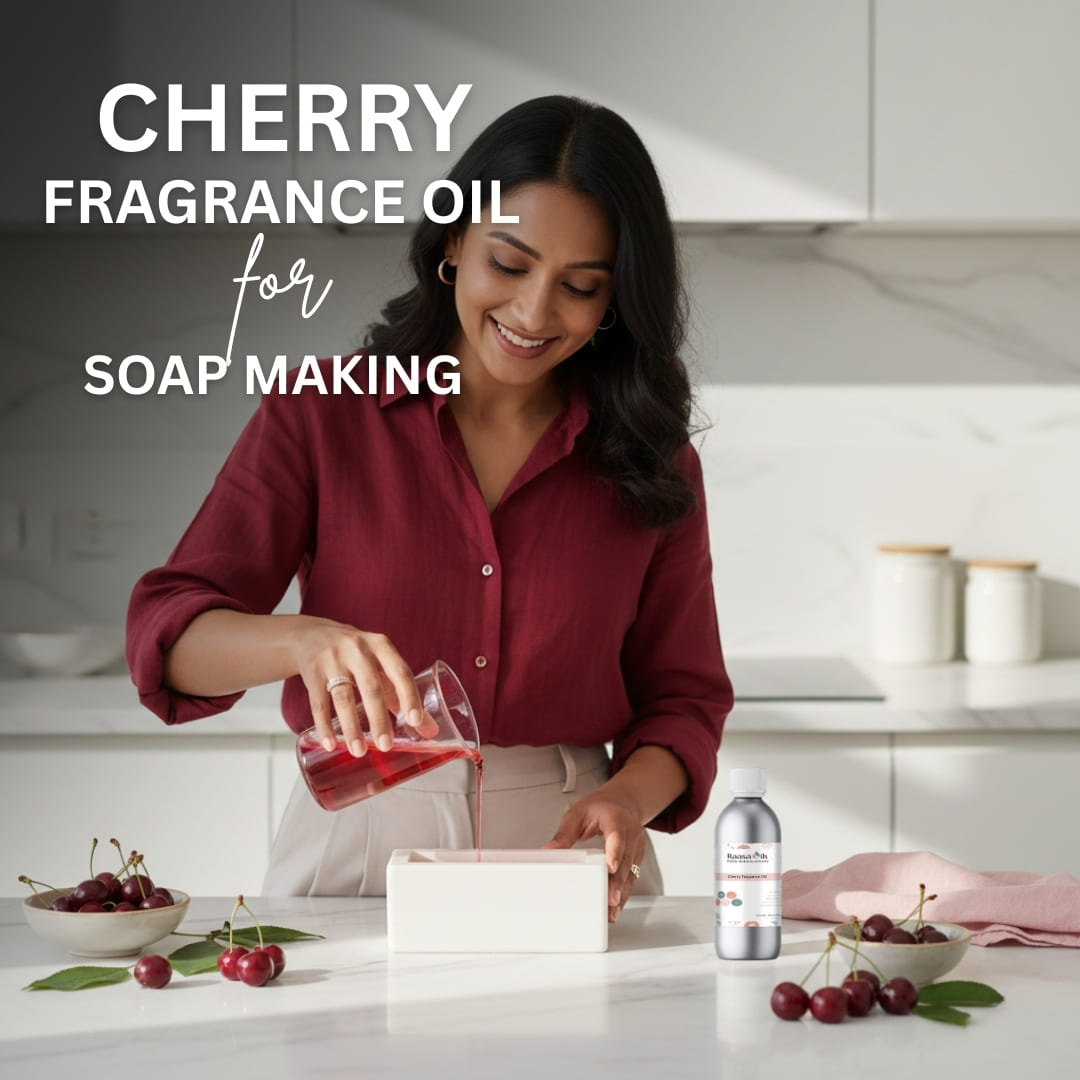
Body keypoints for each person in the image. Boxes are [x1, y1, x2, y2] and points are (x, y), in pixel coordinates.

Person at [126, 95, 733, 921]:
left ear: (615, 301)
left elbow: (684, 700)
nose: (532, 313)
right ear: (453, 241)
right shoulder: (322, 412)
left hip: (570, 849)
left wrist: (628, 796)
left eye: (580, 287)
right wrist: (304, 641)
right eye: (508, 265)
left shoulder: (654, 463)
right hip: (358, 827)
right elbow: (169, 637)